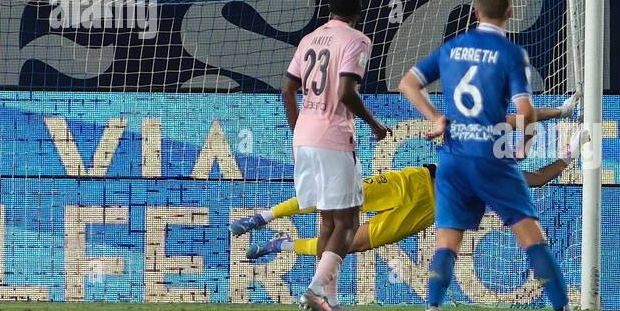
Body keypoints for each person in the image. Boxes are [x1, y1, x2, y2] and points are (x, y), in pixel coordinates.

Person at [398, 0, 607, 311]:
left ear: (475, 12)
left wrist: (435, 117)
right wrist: (524, 143)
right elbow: (524, 110)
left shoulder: (451, 48)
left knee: (447, 242)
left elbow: (407, 84)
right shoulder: (510, 53)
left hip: (452, 156)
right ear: (510, 13)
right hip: (491, 155)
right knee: (532, 238)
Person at [234, 104, 588, 260]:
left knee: (347, 246)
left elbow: (539, 179)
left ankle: (281, 246)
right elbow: (517, 118)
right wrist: (560, 112)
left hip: (426, 212)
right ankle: (264, 216)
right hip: (415, 182)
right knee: (335, 195)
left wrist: (571, 154)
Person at [281, 0, 392, 311]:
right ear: (358, 11)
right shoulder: (357, 39)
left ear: (329, 9)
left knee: (327, 220)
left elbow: (287, 88)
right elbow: (345, 91)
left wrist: (300, 129)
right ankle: (316, 290)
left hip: (304, 138)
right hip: (333, 137)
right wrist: (374, 124)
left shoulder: (309, 39)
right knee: (348, 221)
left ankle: (329, 306)